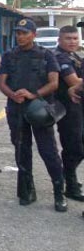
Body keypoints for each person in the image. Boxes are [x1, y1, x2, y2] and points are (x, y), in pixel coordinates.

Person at [0, 18, 67, 212]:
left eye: (24, 33)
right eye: (18, 33)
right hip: (16, 109)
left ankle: (59, 193)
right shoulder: (9, 56)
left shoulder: (46, 56)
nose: (20, 36)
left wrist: (33, 95)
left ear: (33, 35)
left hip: (40, 109)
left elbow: (54, 83)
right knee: (21, 150)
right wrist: (12, 94)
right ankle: (27, 189)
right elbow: (3, 83)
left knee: (48, 151)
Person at [52, 25, 84, 201]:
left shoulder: (74, 56)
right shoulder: (60, 57)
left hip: (78, 107)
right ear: (60, 40)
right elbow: (73, 81)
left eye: (75, 38)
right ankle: (70, 185)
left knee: (79, 147)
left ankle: (66, 177)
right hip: (67, 110)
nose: (72, 42)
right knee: (74, 148)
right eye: (68, 38)